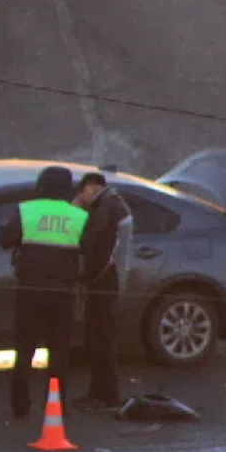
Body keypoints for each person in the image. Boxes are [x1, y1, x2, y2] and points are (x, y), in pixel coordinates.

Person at [0, 165, 87, 420]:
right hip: (62, 293)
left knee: (24, 349)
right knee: (59, 352)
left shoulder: (26, 210)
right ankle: (56, 405)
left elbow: (5, 239)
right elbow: (90, 248)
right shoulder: (77, 216)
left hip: (29, 290)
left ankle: (20, 405)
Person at [74, 171, 134, 410]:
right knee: (99, 336)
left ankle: (106, 394)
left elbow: (95, 245)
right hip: (109, 279)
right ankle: (100, 392)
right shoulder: (111, 204)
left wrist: (86, 279)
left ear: (92, 187)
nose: (81, 196)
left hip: (104, 281)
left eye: (82, 191)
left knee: (101, 338)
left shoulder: (106, 208)